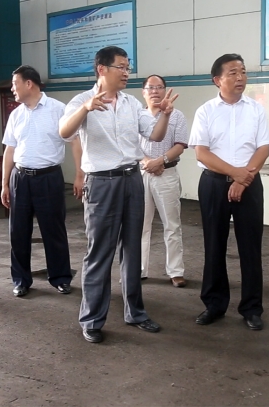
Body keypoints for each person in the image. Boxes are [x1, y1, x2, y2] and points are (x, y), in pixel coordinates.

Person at [59, 46, 176, 344]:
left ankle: (135, 312)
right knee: (100, 252)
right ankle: (92, 319)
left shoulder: (131, 103)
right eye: (121, 67)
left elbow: (155, 135)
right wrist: (86, 109)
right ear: (102, 69)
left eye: (128, 67)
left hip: (132, 179)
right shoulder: (81, 101)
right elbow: (64, 132)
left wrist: (164, 114)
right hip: (101, 183)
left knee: (132, 249)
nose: (126, 73)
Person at [188, 53, 269, 330]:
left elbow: (263, 148)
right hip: (213, 184)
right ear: (217, 80)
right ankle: (214, 304)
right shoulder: (205, 111)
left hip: (249, 183)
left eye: (243, 72)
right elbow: (201, 152)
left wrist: (242, 179)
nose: (240, 78)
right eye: (233, 73)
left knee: (251, 246)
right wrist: (234, 173)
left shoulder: (256, 109)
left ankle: (252, 308)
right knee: (214, 245)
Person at [1, 65, 76, 297]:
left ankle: (60, 277)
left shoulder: (58, 109)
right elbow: (9, 150)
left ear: (29, 83)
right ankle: (21, 280)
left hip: (48, 178)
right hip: (20, 178)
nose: (12, 89)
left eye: (15, 84)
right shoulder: (16, 114)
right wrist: (4, 183)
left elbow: (75, 141)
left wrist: (80, 175)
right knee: (18, 232)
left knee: (53, 230)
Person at [139, 75, 188, 287]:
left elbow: (180, 145)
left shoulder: (177, 115)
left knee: (172, 224)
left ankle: (175, 271)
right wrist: (147, 162)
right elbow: (130, 144)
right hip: (141, 174)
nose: (155, 91)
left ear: (165, 90)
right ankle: (139, 269)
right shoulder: (137, 115)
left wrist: (160, 161)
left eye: (159, 87)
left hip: (166, 174)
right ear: (143, 92)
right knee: (140, 225)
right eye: (151, 87)